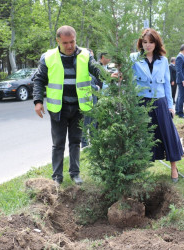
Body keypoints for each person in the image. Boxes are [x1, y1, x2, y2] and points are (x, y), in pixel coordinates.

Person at [33, 25, 115, 186]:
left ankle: (75, 174)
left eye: (72, 42)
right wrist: (38, 101)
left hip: (79, 107)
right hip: (58, 108)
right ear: (58, 41)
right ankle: (57, 176)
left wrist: (108, 76)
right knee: (58, 144)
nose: (70, 46)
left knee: (76, 141)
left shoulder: (85, 55)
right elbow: (39, 80)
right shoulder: (48, 57)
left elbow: (96, 70)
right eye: (65, 43)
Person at [130, 28, 184, 182]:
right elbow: (126, 75)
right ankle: (140, 171)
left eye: (151, 42)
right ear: (141, 43)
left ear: (156, 43)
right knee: (142, 137)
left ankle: (174, 168)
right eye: (145, 42)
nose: (148, 45)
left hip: (160, 102)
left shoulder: (163, 60)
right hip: (141, 102)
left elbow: (167, 84)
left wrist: (170, 105)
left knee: (168, 135)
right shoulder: (134, 58)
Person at [175, 44, 184, 119]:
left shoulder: (182, 57)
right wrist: (183, 80)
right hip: (182, 80)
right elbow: (179, 71)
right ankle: (181, 113)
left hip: (183, 80)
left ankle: (177, 111)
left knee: (179, 96)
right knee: (182, 96)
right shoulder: (179, 57)